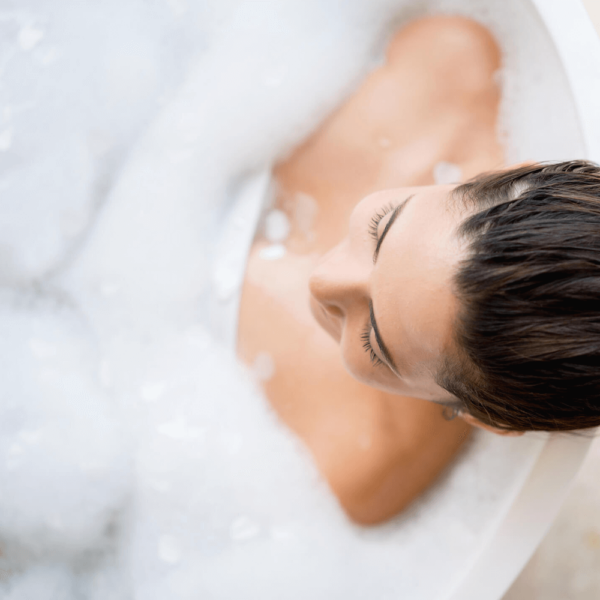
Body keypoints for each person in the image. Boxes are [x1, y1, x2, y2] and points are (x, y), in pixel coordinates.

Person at [238, 16, 599, 525]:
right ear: (506, 174)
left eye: (373, 341)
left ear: (486, 419)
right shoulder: (448, 62)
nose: (322, 280)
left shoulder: (353, 464)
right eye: (383, 228)